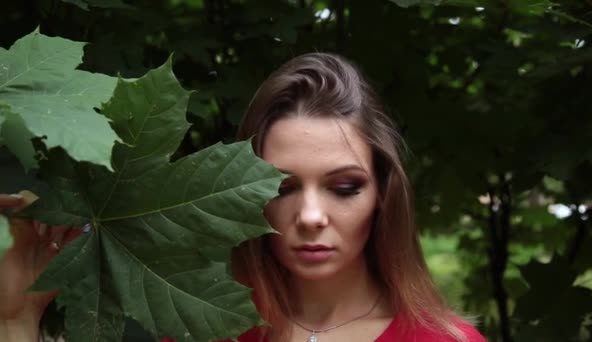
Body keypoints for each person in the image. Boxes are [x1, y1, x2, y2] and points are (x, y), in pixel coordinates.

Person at [0, 53, 485, 342]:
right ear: (241, 195)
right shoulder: (204, 331)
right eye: (280, 186)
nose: (312, 216)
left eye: (343, 188)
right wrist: (17, 320)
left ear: (383, 194)